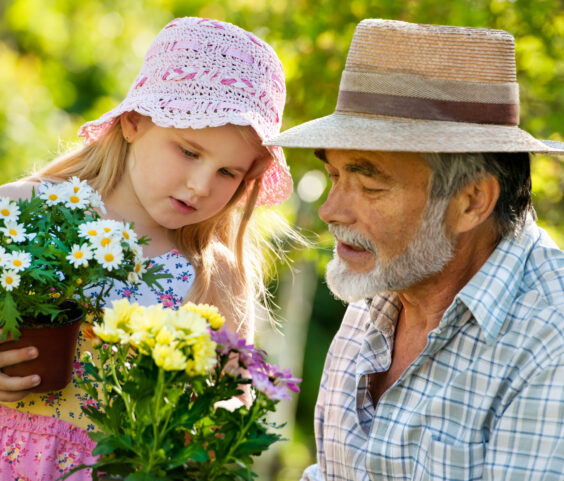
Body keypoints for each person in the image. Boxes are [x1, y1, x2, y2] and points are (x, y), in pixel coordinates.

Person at [267, 19, 564, 480]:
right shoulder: (382, 289)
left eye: (368, 185)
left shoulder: (550, 343)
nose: (330, 211)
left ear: (471, 202)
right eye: (335, 176)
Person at [0, 17, 292, 480]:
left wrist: (206, 420)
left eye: (228, 173)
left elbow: (235, 400)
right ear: (134, 121)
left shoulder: (212, 273)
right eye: (189, 152)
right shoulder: (23, 209)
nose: (199, 186)